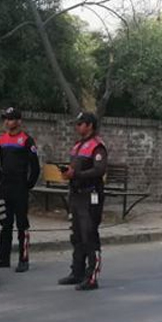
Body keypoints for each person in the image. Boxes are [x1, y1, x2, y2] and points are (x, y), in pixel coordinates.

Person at [58, 112, 107, 291]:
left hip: (90, 196)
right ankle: (76, 272)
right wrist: (67, 172)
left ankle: (92, 277)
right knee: (76, 235)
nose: (77, 127)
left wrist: (76, 174)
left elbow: (99, 170)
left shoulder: (97, 146)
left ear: (89, 126)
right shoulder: (78, 145)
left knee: (89, 235)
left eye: (80, 124)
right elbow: (75, 167)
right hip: (76, 194)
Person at [0, 107, 40, 273]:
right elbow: (2, 162)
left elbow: (35, 168)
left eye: (10, 119)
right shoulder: (2, 140)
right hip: (5, 187)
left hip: (20, 187)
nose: (7, 122)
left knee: (22, 225)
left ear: (19, 121)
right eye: (5, 118)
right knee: (5, 224)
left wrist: (28, 185)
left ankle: (23, 259)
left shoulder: (27, 140)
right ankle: (3, 258)